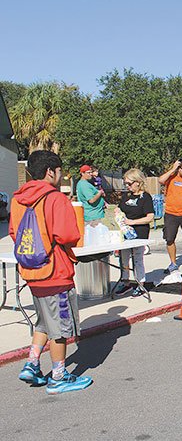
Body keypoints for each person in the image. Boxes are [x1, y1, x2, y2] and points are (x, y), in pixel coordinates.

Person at [9, 150, 93, 394]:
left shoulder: (17, 199)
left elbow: (15, 233)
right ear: (50, 172)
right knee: (61, 327)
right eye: (59, 172)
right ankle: (58, 375)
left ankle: (32, 363)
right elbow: (68, 235)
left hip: (31, 270)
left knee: (44, 320)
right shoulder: (55, 199)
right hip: (55, 270)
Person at [115, 169, 154, 298]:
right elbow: (121, 208)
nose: (127, 186)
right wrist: (118, 213)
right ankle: (125, 282)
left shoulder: (145, 197)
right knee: (124, 257)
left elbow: (150, 217)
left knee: (137, 258)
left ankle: (140, 283)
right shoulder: (126, 196)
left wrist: (133, 222)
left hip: (140, 231)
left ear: (138, 182)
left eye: (130, 183)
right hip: (125, 231)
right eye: (125, 183)